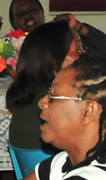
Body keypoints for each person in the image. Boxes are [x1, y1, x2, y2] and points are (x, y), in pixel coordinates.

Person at [0, 0, 106, 62]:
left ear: (42, 15)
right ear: (13, 23)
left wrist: (77, 27)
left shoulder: (61, 36)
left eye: (33, 10)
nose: (28, 16)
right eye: (21, 14)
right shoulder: (7, 45)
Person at [6, 21, 76, 150]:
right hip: (53, 164)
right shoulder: (60, 96)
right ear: (57, 56)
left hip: (30, 167)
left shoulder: (26, 90)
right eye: (79, 50)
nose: (82, 56)